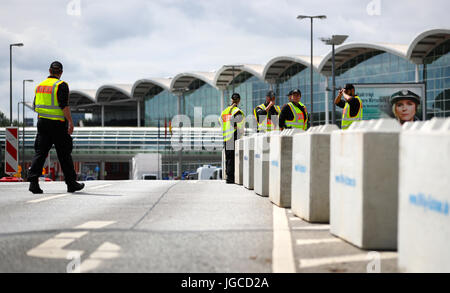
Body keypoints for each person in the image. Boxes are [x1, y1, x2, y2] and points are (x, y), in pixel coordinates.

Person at [28, 61, 85, 194]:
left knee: (40, 153)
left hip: (42, 123)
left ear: (49, 71)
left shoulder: (40, 86)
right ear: (61, 72)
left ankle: (33, 183)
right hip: (58, 125)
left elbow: (36, 105)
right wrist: (70, 122)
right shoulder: (61, 85)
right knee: (64, 154)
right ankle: (71, 184)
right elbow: (64, 106)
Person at [221, 93, 245, 184]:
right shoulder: (237, 111)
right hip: (233, 136)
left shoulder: (225, 111)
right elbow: (237, 122)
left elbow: (221, 122)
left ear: (231, 99)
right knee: (232, 158)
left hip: (226, 137)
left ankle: (228, 176)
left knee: (228, 157)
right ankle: (231, 178)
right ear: (239, 100)